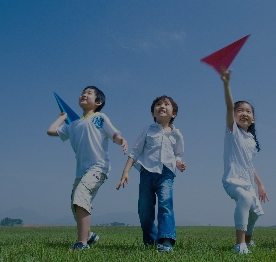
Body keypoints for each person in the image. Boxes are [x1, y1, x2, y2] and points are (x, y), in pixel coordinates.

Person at [47, 86, 128, 250]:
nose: (84, 94)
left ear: (98, 102)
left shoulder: (100, 118)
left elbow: (113, 134)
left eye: (89, 93)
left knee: (81, 195)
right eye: (83, 93)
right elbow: (51, 131)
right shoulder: (74, 124)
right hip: (81, 171)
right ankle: (89, 235)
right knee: (75, 205)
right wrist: (62, 118)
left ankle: (81, 243)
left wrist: (120, 140)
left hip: (98, 168)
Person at [116, 95, 185, 253]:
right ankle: (151, 240)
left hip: (166, 174)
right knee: (144, 209)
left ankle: (166, 241)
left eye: (166, 104)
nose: (162, 106)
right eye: (158, 104)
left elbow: (178, 154)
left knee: (165, 204)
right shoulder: (147, 130)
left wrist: (179, 163)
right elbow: (135, 151)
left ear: (173, 113)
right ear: (153, 113)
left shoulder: (177, 134)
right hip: (147, 173)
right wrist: (125, 171)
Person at [219, 68, 269, 254]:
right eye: (239, 110)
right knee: (246, 198)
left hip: (248, 182)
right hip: (232, 181)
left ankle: (248, 241)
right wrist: (226, 84)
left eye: (248, 111)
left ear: (253, 118)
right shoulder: (233, 133)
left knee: (255, 213)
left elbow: (250, 165)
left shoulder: (251, 141)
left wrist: (260, 184)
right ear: (234, 115)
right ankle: (239, 244)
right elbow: (228, 105)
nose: (244, 113)